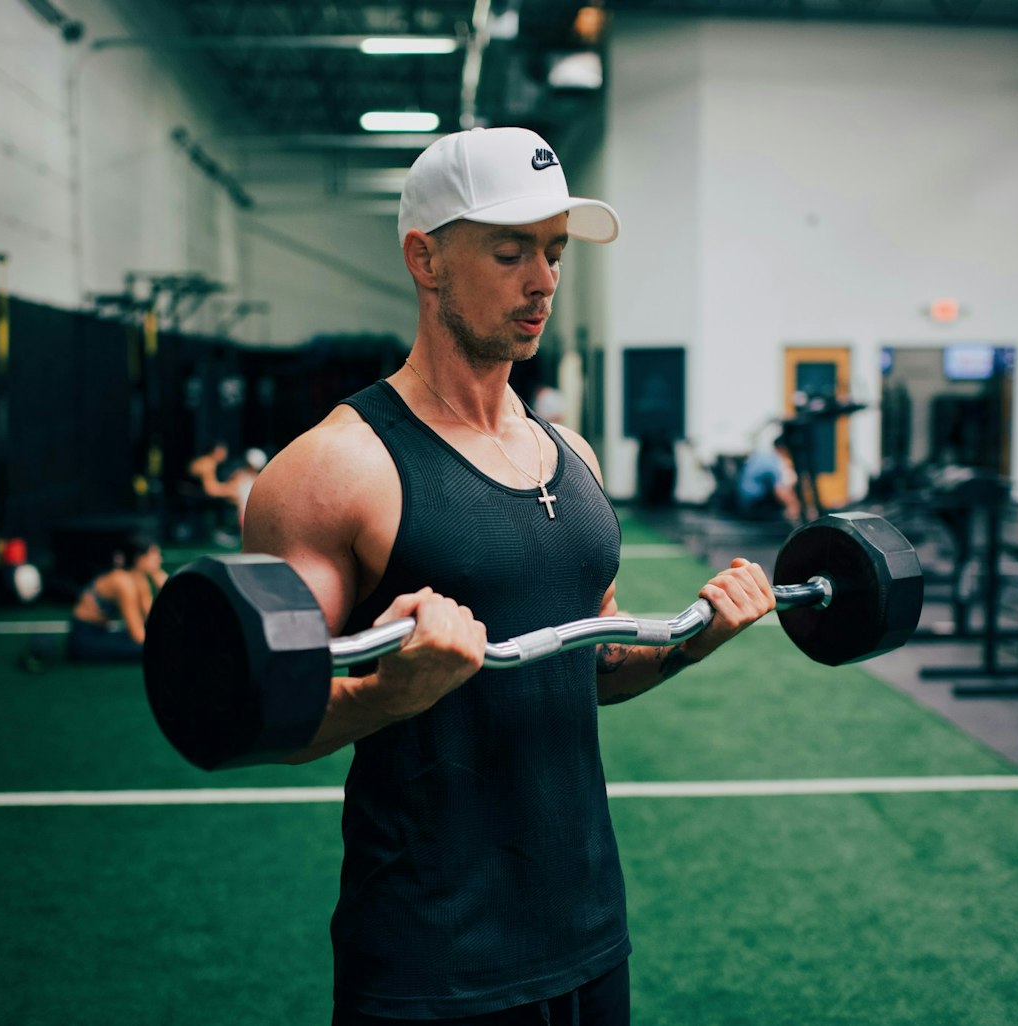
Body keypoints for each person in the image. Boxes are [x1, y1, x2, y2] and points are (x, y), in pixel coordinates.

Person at [241, 126, 776, 1025]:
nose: (543, 282)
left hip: (590, 933)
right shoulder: (336, 468)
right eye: (509, 250)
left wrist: (691, 641)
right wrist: (392, 692)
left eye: (556, 252)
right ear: (426, 257)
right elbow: (265, 719)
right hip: (430, 958)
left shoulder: (573, 454)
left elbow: (594, 666)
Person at [66, 532, 166, 662]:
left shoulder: (139, 579)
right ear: (138, 558)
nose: (160, 560)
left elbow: (151, 620)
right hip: (84, 638)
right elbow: (138, 636)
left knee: (160, 643)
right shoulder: (123, 582)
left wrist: (163, 588)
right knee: (153, 649)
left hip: (101, 632)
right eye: (154, 555)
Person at [188, 443, 267, 530]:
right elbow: (210, 491)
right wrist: (231, 491)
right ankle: (224, 528)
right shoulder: (207, 463)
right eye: (223, 451)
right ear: (217, 451)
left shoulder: (210, 463)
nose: (226, 454)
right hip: (193, 497)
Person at [735, 430, 801, 524]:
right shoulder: (773, 461)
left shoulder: (762, 455)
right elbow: (780, 490)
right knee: (788, 521)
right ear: (783, 448)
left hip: (746, 503)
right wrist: (795, 508)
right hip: (755, 506)